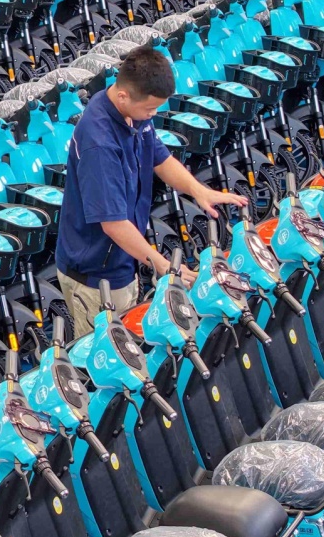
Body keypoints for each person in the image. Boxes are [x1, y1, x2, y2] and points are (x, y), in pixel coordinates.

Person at [56, 46, 248, 336]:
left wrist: (198, 190)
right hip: (95, 273)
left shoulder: (132, 112)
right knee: (108, 356)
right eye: (150, 108)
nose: (154, 114)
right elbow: (113, 224)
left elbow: (159, 157)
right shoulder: (100, 143)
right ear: (123, 96)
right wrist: (164, 266)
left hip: (123, 258)